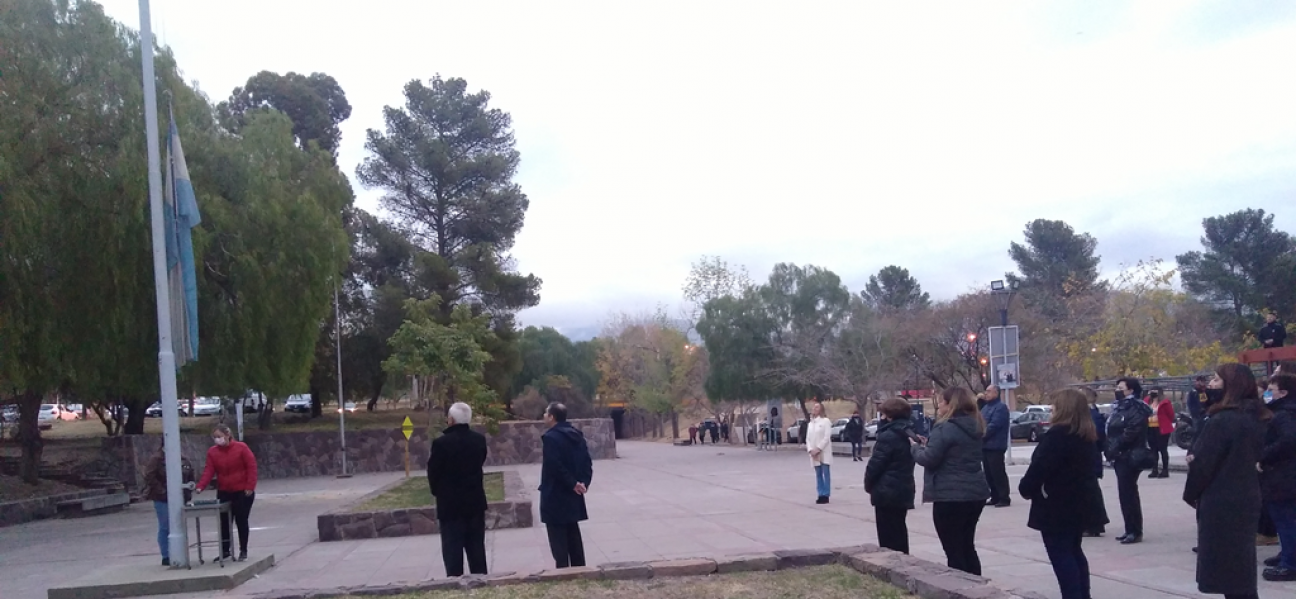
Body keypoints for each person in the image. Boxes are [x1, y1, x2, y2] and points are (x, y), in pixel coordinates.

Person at [1185, 363, 1269, 599]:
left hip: (1221, 498)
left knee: (1229, 570)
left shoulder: (1223, 420)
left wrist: (1191, 490)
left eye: (1216, 380)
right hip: (1247, 495)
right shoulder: (1256, 416)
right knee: (1241, 566)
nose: (1211, 385)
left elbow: (1205, 463)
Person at [1019, 389, 1107, 599]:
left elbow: (1040, 468)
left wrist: (1026, 488)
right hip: (1081, 502)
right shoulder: (1086, 434)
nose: (1051, 409)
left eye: (1055, 405)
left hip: (1057, 505)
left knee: (1061, 555)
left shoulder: (1057, 436)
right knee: (1074, 551)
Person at [913, 387, 991, 575]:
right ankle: (977, 589)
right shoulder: (976, 424)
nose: (938, 405)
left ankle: (959, 590)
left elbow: (929, 459)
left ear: (950, 404)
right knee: (967, 545)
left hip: (950, 494)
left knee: (953, 549)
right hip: (975, 492)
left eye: (941, 401)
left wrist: (915, 449)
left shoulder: (945, 427)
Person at [427, 402, 489, 577]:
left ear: (451, 420)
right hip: (475, 502)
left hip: (450, 505)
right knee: (476, 548)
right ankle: (481, 581)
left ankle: (454, 584)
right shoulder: (479, 440)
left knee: (452, 550)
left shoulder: (441, 443)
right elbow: (480, 461)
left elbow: (434, 472)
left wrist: (438, 491)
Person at [539, 402, 593, 569]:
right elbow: (587, 463)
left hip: (555, 494)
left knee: (558, 538)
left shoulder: (551, 438)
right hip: (573, 494)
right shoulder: (577, 435)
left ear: (552, 417)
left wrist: (572, 483)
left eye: (545, 413)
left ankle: (562, 572)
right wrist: (582, 483)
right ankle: (580, 569)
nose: (544, 416)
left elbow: (554, 465)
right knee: (573, 534)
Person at [195, 424, 258, 561]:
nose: (217, 440)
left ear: (227, 435)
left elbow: (251, 467)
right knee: (224, 522)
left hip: (242, 491)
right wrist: (201, 486)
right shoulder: (213, 452)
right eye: (215, 437)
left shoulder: (241, 448)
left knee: (241, 520)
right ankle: (225, 550)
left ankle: (243, 550)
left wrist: (250, 486)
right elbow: (209, 470)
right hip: (224, 490)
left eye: (219, 436)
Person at [865, 398, 916, 554]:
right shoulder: (908, 433)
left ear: (890, 416)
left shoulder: (888, 436)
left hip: (886, 491)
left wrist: (869, 484)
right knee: (899, 530)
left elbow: (876, 465)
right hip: (903, 488)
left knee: (888, 535)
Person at [1106, 377, 1152, 544]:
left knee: (1128, 492)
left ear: (1131, 390)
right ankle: (1129, 528)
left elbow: (1132, 430)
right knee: (1125, 493)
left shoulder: (1136, 408)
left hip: (1129, 454)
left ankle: (1134, 530)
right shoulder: (1119, 408)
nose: (1117, 390)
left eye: (1121, 388)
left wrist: (1116, 445)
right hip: (1120, 455)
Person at [1260, 373, 1296, 581]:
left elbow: (1289, 440)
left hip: (1284, 476)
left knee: (1285, 519)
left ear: (1283, 393)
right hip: (1286, 475)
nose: (1267, 394)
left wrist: (1264, 456)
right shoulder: (1285, 412)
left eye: (1271, 390)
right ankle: (1288, 553)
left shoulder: (1284, 415)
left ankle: (1290, 563)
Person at [143, 443, 195, 566]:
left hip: (180, 497)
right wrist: (162, 490)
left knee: (178, 525)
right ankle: (166, 555)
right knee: (165, 525)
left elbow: (190, 475)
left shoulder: (183, 459)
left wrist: (187, 491)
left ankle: (180, 552)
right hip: (162, 498)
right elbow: (149, 476)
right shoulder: (156, 459)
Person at [1082, 387, 1109, 538]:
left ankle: (1095, 523)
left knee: (1091, 492)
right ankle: (1092, 523)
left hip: (1091, 458)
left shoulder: (1093, 415)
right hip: (1090, 457)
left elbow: (1098, 435)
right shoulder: (1089, 414)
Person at [979, 385, 1011, 508]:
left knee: (997, 472)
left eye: (989, 391)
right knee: (988, 473)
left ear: (996, 393)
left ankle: (1004, 497)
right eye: (985, 391)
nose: (986, 394)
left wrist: (982, 434)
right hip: (985, 446)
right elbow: (980, 422)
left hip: (996, 445)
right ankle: (994, 495)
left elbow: (994, 425)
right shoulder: (985, 408)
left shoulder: (1001, 408)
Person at [805, 400, 834, 504]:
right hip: (814, 453)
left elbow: (826, 437)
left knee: (825, 473)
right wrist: (810, 449)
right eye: (814, 407)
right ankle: (820, 493)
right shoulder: (810, 424)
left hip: (823, 451)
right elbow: (808, 438)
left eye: (817, 407)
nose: (814, 409)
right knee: (818, 473)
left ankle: (826, 494)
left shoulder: (825, 421)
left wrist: (819, 448)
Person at [1148, 390, 1174, 478]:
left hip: (1162, 428)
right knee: (1153, 450)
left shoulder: (1165, 403)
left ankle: (1165, 470)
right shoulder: (1147, 402)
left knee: (1163, 449)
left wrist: (1165, 422)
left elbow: (1171, 415)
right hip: (1150, 428)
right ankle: (1154, 469)